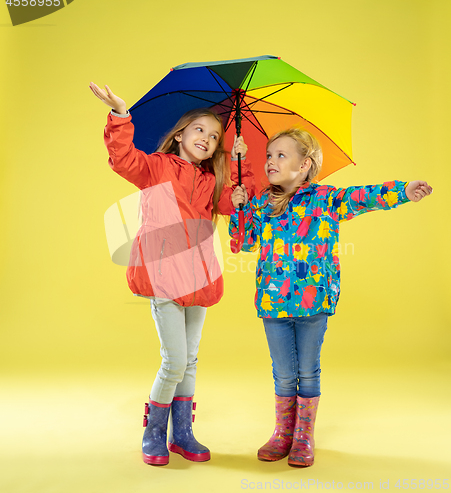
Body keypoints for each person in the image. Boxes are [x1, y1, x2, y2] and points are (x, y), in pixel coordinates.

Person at [229, 127, 432, 467]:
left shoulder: (325, 199)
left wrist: (402, 191)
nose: (270, 162)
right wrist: (239, 209)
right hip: (273, 304)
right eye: (268, 155)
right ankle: (283, 433)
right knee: (282, 373)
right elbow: (243, 243)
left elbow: (363, 196)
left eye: (281, 155)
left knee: (308, 372)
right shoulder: (264, 201)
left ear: (305, 164)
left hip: (314, 303)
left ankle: (304, 435)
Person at [90, 83, 255, 466]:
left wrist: (240, 170)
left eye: (215, 137)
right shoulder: (157, 167)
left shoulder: (212, 180)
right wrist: (119, 114)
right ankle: (153, 432)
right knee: (175, 360)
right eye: (200, 130)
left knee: (191, 359)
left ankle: (183, 433)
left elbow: (231, 203)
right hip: (164, 274)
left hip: (198, 276)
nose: (208, 139)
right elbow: (123, 159)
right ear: (180, 134)